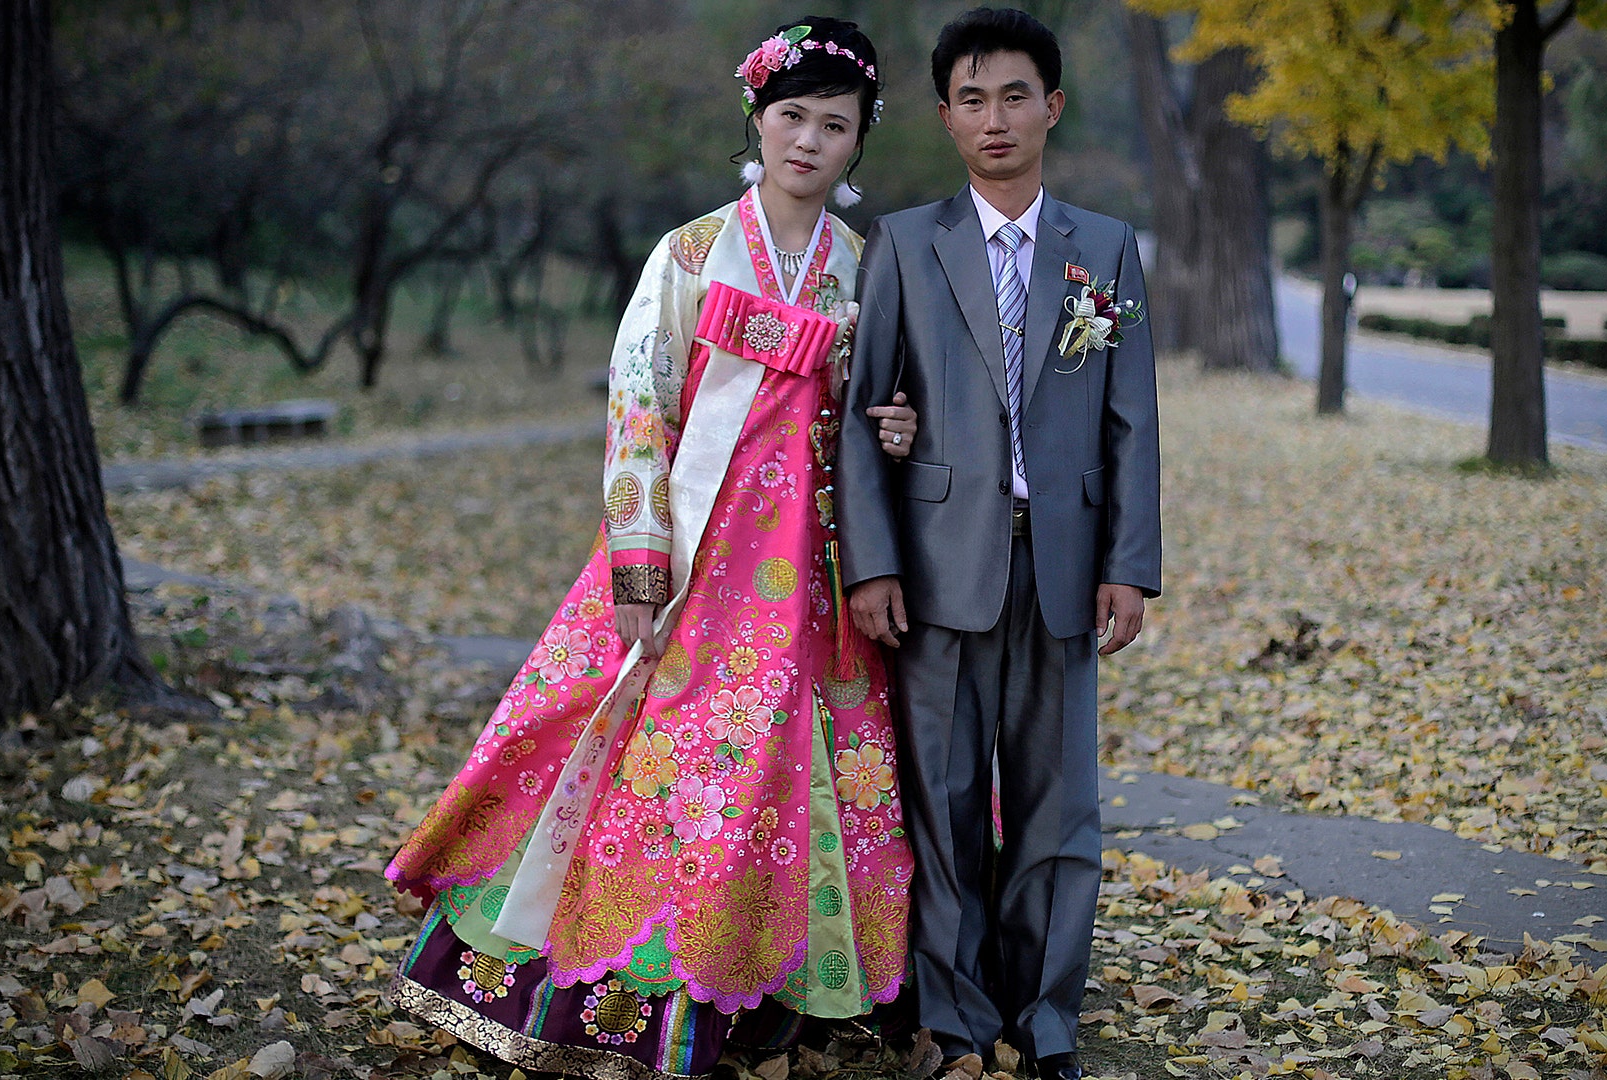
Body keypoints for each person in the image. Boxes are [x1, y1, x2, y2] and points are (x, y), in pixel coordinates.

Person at [384, 19, 920, 1078]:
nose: (808, 142)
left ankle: (765, 990)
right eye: (792, 118)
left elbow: (873, 418)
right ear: (758, 123)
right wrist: (640, 561)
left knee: (775, 772)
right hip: (694, 559)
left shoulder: (867, 268)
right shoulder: (689, 253)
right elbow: (639, 404)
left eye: (834, 125)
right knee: (665, 758)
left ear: (860, 143)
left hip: (808, 574)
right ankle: (617, 992)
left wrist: (894, 429)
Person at [832, 10, 1162, 1080]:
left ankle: (1047, 1017)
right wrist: (871, 563)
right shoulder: (906, 244)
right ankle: (957, 1015)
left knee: (1061, 806)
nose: (996, 118)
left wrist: (1128, 562)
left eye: (1015, 94)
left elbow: (1126, 417)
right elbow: (862, 413)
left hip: (1063, 564)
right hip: (935, 569)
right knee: (945, 803)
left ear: (1052, 106)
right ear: (944, 118)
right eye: (971, 100)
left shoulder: (1100, 251)